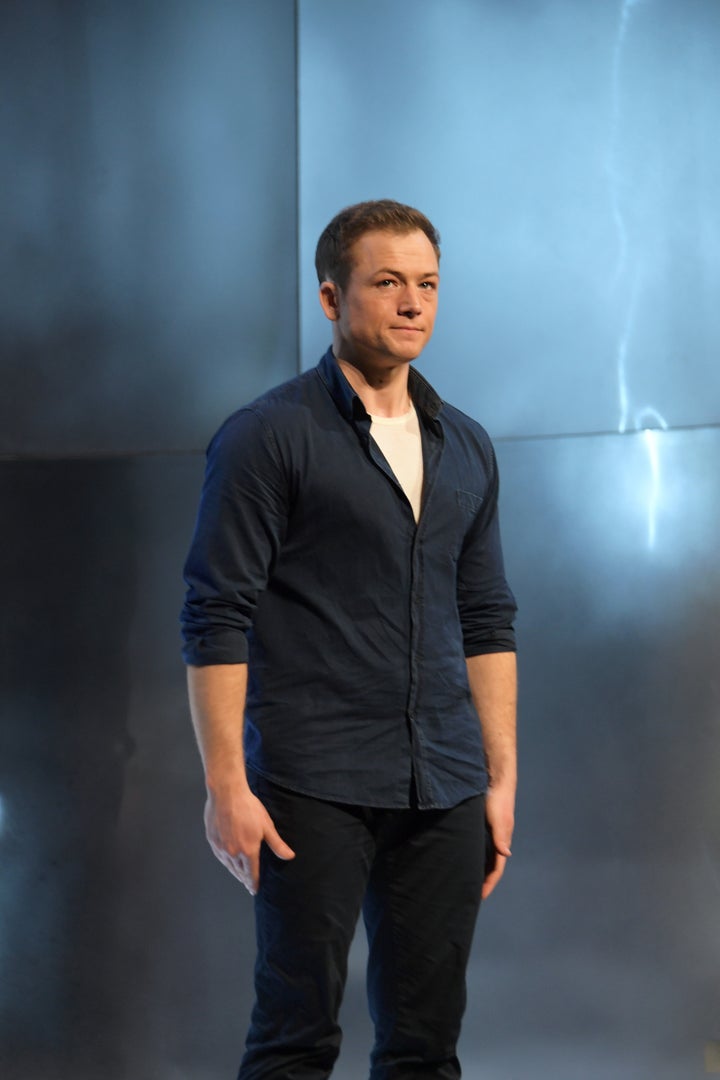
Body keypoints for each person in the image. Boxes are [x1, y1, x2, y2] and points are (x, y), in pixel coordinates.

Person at [181, 199, 517, 1080]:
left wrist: (501, 775)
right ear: (332, 299)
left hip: (442, 781)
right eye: (388, 283)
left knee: (425, 1047)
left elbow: (486, 618)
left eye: (428, 285)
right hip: (310, 784)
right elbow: (217, 615)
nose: (413, 303)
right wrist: (226, 786)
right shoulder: (268, 437)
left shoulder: (466, 447)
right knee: (295, 1038)